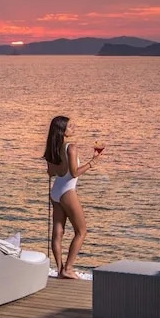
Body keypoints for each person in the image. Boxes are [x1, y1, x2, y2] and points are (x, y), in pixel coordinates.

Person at [43, 115, 102, 279]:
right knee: (81, 231)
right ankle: (68, 268)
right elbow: (75, 172)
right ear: (62, 130)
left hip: (55, 192)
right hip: (68, 191)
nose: (73, 128)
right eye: (70, 126)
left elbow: (51, 172)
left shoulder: (51, 149)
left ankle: (60, 270)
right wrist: (92, 163)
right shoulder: (71, 147)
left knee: (58, 233)